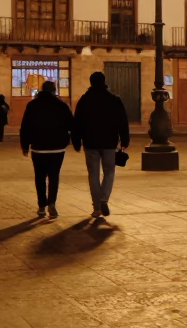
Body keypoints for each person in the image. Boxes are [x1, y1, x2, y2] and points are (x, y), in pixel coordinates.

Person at [72, 71, 130, 219]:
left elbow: (77, 122)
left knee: (93, 174)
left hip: (90, 142)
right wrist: (124, 140)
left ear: (91, 82)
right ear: (104, 82)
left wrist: (76, 141)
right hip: (109, 142)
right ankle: (104, 199)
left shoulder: (84, 100)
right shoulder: (114, 99)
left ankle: (97, 208)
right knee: (109, 172)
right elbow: (122, 121)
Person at [19, 81, 74, 219]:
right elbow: (72, 125)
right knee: (54, 176)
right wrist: (68, 141)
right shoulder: (62, 105)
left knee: (40, 177)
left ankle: (41, 206)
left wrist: (25, 145)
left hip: (38, 148)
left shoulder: (32, 105)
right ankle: (52, 204)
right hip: (57, 149)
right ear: (54, 90)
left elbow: (25, 126)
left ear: (42, 90)